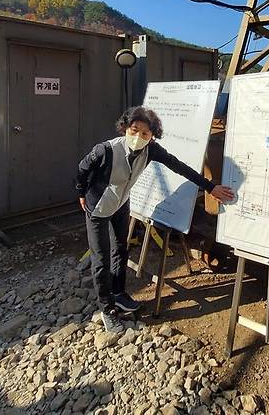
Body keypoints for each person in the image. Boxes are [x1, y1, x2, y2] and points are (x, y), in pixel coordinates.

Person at [76, 106, 234, 333]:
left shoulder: (151, 150)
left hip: (121, 204)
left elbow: (179, 166)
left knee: (120, 249)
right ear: (125, 129)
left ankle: (119, 294)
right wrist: (81, 193)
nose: (138, 137)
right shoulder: (106, 150)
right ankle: (107, 309)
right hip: (98, 207)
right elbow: (83, 168)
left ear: (152, 136)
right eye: (134, 130)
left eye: (145, 134)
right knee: (101, 260)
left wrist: (210, 187)